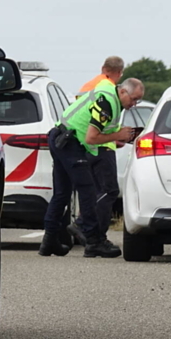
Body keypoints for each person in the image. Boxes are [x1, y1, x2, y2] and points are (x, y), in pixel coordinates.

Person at [39, 77, 145, 258]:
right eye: (133, 99)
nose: (134, 104)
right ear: (122, 91)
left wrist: (115, 135)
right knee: (87, 190)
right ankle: (94, 241)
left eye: (138, 100)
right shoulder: (108, 104)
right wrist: (117, 135)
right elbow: (91, 138)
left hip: (60, 137)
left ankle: (49, 241)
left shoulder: (108, 92)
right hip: (69, 141)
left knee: (62, 193)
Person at [71, 56, 126, 241]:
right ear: (120, 72)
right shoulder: (109, 89)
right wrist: (117, 136)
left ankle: (83, 226)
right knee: (108, 191)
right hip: (101, 145)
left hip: (84, 144)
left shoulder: (89, 85)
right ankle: (92, 232)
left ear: (103, 68)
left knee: (94, 191)